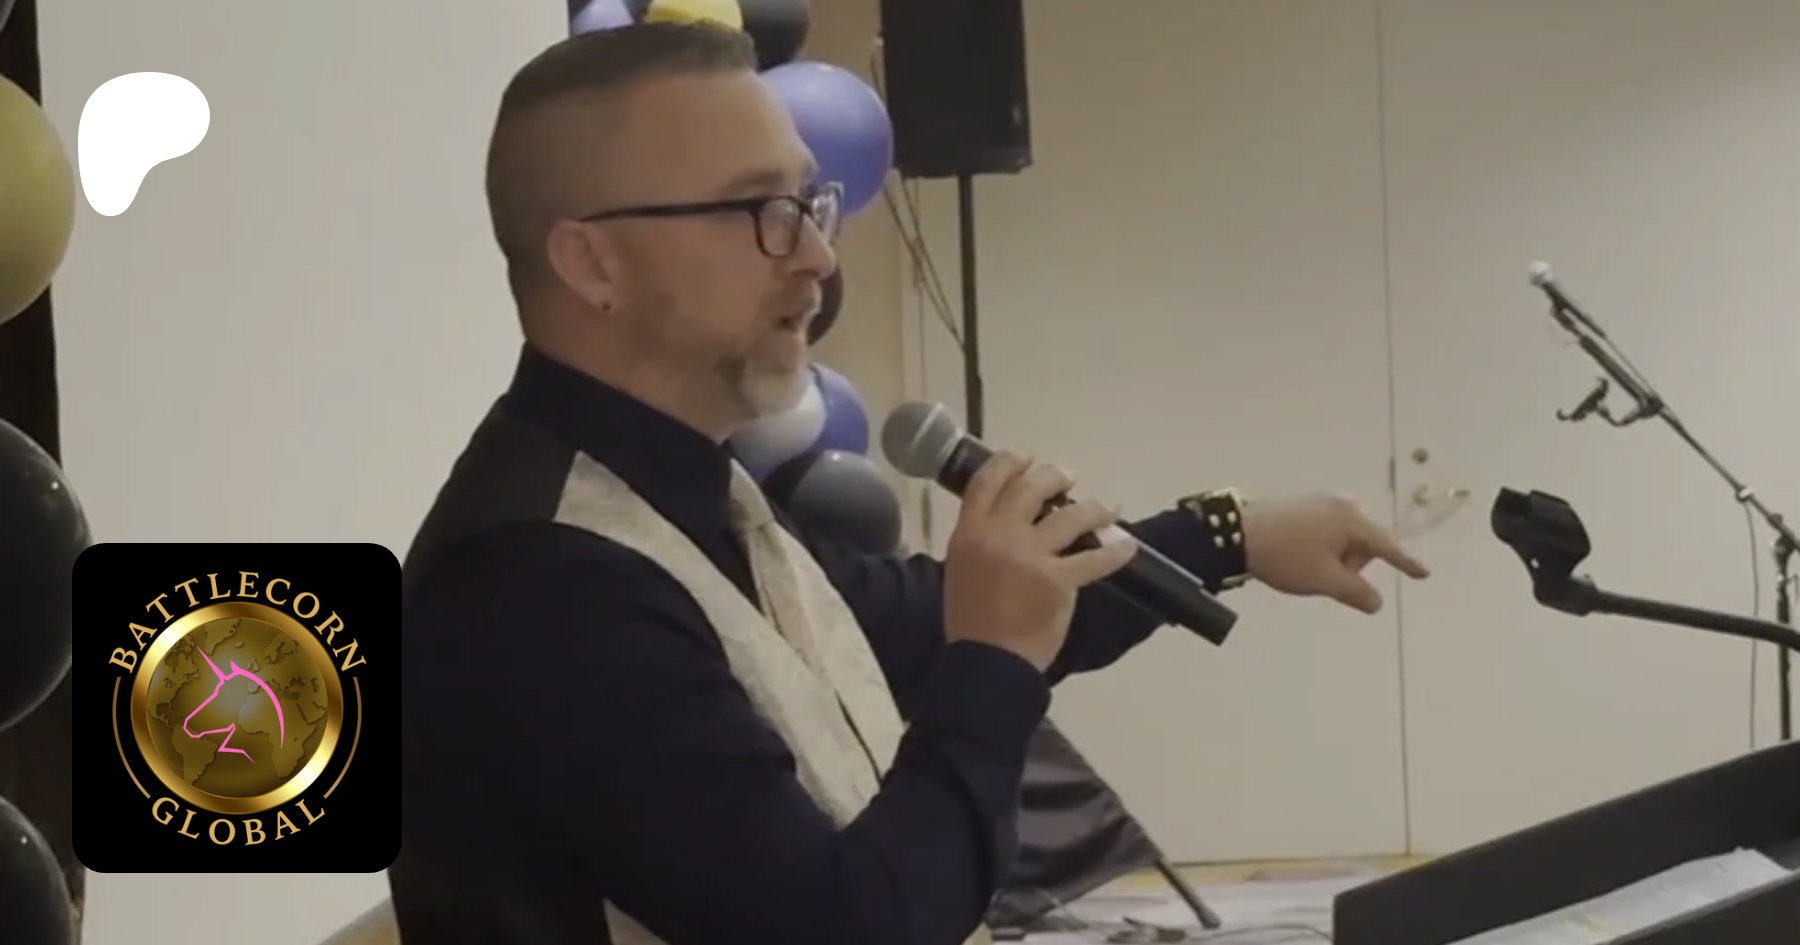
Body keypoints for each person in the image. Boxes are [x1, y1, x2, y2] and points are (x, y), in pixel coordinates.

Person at [390, 21, 1429, 945]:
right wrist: (995, 664)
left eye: (811, 204)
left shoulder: (685, 491)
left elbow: (921, 619)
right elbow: (848, 923)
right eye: (758, 209)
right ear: (593, 264)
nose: (816, 257)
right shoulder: (539, 580)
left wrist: (1228, 533)